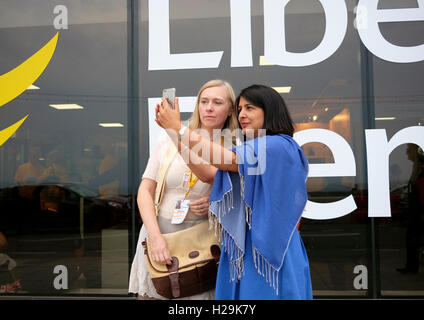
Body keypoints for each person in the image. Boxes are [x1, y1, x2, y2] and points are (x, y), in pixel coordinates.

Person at [155, 84, 313, 300]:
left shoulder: (278, 145)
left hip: (270, 251)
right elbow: (209, 173)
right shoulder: (257, 147)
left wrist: (180, 130)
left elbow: (226, 159)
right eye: (239, 109)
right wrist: (174, 133)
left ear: (270, 110)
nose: (242, 115)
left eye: (250, 108)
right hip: (248, 248)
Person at [128, 80, 239, 299]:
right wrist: (154, 236)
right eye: (204, 101)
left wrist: (217, 202)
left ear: (230, 110)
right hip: (160, 236)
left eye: (217, 102)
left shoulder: (235, 146)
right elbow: (145, 191)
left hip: (203, 242)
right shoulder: (167, 138)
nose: (208, 107)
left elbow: (233, 191)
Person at [397, 144, 424, 274]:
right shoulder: (417, 169)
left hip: (418, 213)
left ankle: (412, 267)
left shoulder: (421, 171)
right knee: (412, 240)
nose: (406, 152)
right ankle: (411, 266)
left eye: (409, 149)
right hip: (415, 212)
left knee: (413, 240)